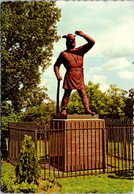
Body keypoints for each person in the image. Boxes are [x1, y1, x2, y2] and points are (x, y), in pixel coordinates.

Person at [54, 31, 95, 115]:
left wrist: (84, 35)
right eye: (71, 40)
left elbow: (92, 42)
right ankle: (64, 109)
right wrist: (57, 75)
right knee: (67, 93)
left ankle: (87, 109)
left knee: (83, 93)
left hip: (79, 74)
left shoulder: (80, 50)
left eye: (74, 40)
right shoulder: (64, 54)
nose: (73, 41)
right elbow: (56, 65)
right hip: (70, 74)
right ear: (67, 41)